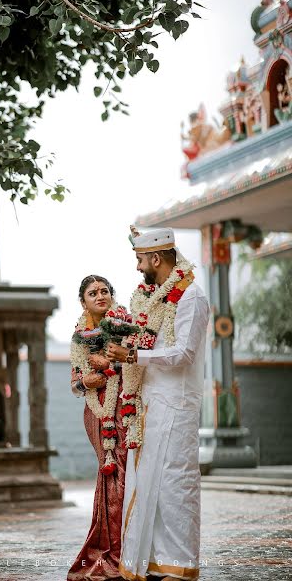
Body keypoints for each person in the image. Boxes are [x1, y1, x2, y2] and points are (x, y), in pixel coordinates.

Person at [107, 228, 209, 581]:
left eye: (140, 260)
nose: (137, 268)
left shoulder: (191, 297)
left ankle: (179, 565)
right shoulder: (154, 300)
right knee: (148, 481)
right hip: (149, 403)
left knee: (174, 484)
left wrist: (134, 354)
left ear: (156, 258)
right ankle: (151, 560)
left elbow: (184, 353)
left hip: (177, 404)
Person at [68, 275, 127, 581]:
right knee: (110, 472)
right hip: (96, 410)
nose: (100, 295)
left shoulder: (124, 323)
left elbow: (133, 362)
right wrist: (85, 381)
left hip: (125, 406)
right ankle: (111, 549)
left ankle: (127, 550)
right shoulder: (79, 337)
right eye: (93, 293)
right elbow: (75, 384)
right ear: (84, 301)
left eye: (105, 291)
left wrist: (109, 366)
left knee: (124, 472)